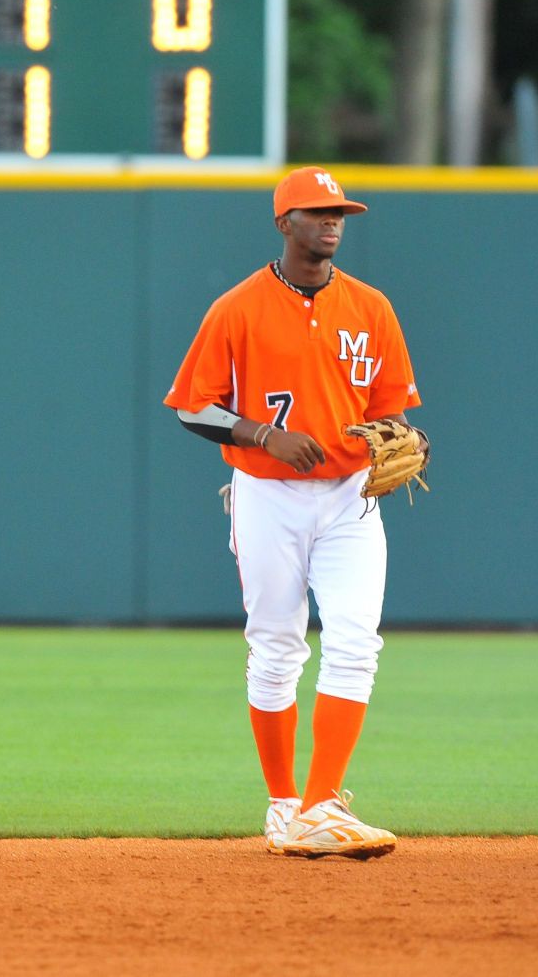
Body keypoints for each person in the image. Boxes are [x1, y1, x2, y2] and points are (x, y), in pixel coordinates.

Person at [163, 165, 423, 860]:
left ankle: (320, 805)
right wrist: (261, 433)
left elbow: (389, 410)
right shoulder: (238, 307)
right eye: (316, 211)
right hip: (265, 494)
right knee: (276, 645)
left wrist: (407, 439)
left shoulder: (372, 308)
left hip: (349, 499)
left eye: (339, 211)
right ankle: (284, 807)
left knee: (355, 640)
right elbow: (192, 405)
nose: (332, 221)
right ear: (285, 223)